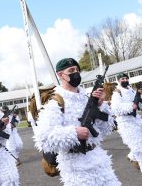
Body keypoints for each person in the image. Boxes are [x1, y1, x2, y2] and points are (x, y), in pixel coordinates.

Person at [33, 58, 121, 186]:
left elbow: (106, 129)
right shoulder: (56, 102)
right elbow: (43, 138)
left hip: (98, 159)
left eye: (77, 70)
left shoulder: (86, 98)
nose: (76, 73)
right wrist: (74, 133)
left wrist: (101, 105)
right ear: (60, 75)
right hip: (75, 166)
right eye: (71, 70)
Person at [111, 73, 142, 176]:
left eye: (126, 78)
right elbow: (116, 108)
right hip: (125, 121)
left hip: (136, 119)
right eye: (122, 78)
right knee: (136, 145)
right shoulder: (117, 92)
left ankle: (132, 156)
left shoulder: (132, 90)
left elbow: (140, 106)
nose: (125, 80)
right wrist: (131, 106)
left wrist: (140, 97)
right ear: (119, 80)